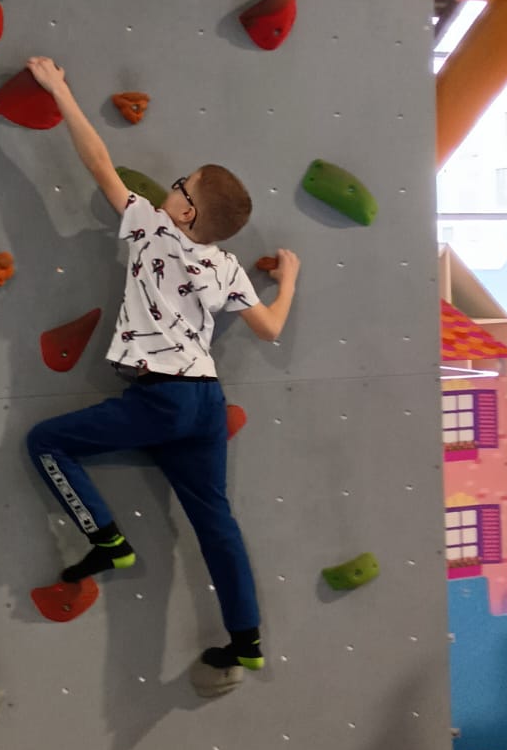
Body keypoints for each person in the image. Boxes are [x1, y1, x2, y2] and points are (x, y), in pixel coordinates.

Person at [24, 57, 300, 674]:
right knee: (216, 523)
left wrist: (60, 89)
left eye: (180, 186)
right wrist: (290, 280)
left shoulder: (151, 228)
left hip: (163, 398)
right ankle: (247, 641)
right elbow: (272, 328)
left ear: (185, 212)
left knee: (45, 443)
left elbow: (98, 161)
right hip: (204, 402)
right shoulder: (226, 265)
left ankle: (105, 537)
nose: (169, 189)